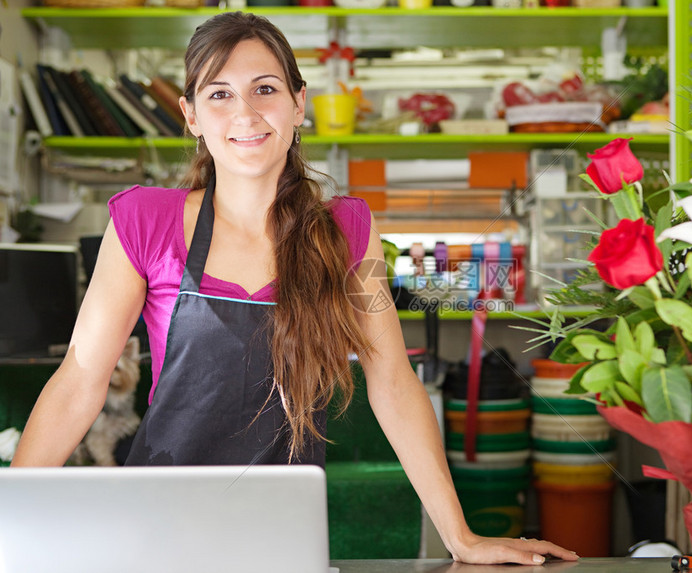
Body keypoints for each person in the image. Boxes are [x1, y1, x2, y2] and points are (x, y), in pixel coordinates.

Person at [12, 11, 578, 565]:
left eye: (265, 89)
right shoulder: (143, 222)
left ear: (298, 103)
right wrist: (12, 523)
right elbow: (79, 382)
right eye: (219, 94)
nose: (246, 113)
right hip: (155, 520)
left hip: (281, 527)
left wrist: (461, 536)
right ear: (190, 115)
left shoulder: (349, 231)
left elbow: (393, 383)